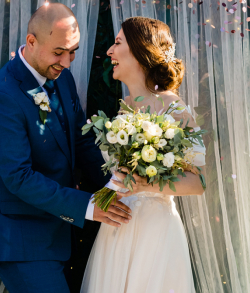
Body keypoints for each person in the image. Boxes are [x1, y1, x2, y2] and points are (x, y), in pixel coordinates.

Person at [0, 2, 132, 293]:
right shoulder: (1, 95)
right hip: (22, 240)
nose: (67, 62)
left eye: (72, 51)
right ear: (31, 41)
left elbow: (80, 139)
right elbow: (18, 177)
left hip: (64, 234)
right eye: (59, 52)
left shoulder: (62, 78)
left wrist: (119, 186)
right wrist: (87, 206)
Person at [80, 16, 206, 293]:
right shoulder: (124, 108)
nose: (110, 52)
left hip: (154, 229)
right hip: (117, 226)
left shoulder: (174, 109)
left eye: (117, 43)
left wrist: (145, 183)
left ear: (139, 51)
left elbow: (198, 183)